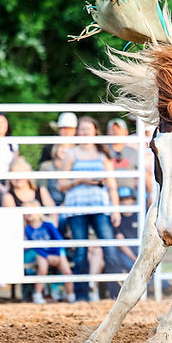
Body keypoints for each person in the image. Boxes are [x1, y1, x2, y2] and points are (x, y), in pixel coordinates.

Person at [59, 116, 120, 302]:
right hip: (77, 208)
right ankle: (81, 295)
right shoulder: (71, 155)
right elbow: (61, 184)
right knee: (80, 251)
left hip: (100, 206)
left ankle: (115, 294)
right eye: (82, 129)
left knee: (109, 249)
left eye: (88, 128)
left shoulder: (103, 155)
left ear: (95, 131)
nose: (85, 132)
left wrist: (115, 209)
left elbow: (111, 184)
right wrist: (80, 181)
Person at [23, 201, 75, 304]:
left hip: (56, 251)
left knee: (67, 271)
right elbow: (35, 247)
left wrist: (56, 254)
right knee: (42, 269)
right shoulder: (28, 229)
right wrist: (47, 256)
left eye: (31, 210)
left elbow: (58, 240)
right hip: (42, 254)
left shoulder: (48, 225)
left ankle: (70, 295)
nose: (28, 213)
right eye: (25, 211)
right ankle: (37, 295)